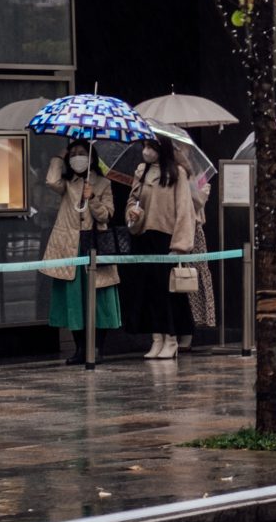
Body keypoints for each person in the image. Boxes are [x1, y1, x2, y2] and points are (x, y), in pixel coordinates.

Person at [40, 142, 121, 356]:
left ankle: (97, 348)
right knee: (74, 300)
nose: (77, 158)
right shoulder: (67, 183)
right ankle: (79, 348)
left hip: (95, 246)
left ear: (91, 158)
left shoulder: (103, 183)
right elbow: (51, 181)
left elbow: (107, 215)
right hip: (70, 246)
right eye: (73, 154)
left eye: (82, 154)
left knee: (99, 298)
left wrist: (91, 198)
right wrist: (59, 156)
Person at [122, 135, 198, 359]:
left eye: (151, 147)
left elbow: (185, 209)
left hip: (167, 238)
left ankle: (171, 338)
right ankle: (157, 338)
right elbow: (132, 201)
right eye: (144, 146)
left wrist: (181, 245)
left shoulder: (177, 173)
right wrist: (132, 214)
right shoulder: (141, 171)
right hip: (145, 236)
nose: (146, 151)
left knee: (168, 292)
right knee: (150, 290)